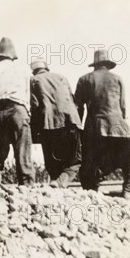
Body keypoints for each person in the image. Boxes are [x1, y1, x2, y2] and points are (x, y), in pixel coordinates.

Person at [74, 49, 130, 199]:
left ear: (95, 64)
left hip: (94, 126)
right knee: (129, 160)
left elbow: (77, 106)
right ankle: (128, 191)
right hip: (118, 125)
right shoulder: (117, 78)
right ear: (108, 64)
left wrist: (79, 127)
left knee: (91, 161)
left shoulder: (85, 79)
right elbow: (123, 106)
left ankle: (92, 192)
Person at [0, 37, 34, 185]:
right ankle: (26, 184)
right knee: (22, 148)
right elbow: (31, 92)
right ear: (13, 54)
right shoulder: (23, 70)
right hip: (18, 109)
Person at [30, 59, 82, 188]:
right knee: (74, 160)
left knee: (52, 162)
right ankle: (61, 182)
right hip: (70, 122)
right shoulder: (61, 77)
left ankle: (57, 183)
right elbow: (73, 100)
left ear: (34, 70)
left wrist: (34, 129)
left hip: (48, 124)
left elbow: (35, 105)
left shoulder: (33, 80)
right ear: (47, 68)